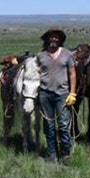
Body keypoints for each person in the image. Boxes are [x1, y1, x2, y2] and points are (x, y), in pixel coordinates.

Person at [35, 27, 78, 162]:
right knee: (49, 126)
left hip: (62, 94)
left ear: (60, 40)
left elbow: (72, 74)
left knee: (63, 125)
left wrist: (72, 93)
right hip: (45, 93)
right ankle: (52, 153)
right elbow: (35, 73)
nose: (54, 39)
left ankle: (65, 153)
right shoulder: (40, 56)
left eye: (56, 37)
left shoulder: (67, 54)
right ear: (47, 39)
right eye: (51, 37)